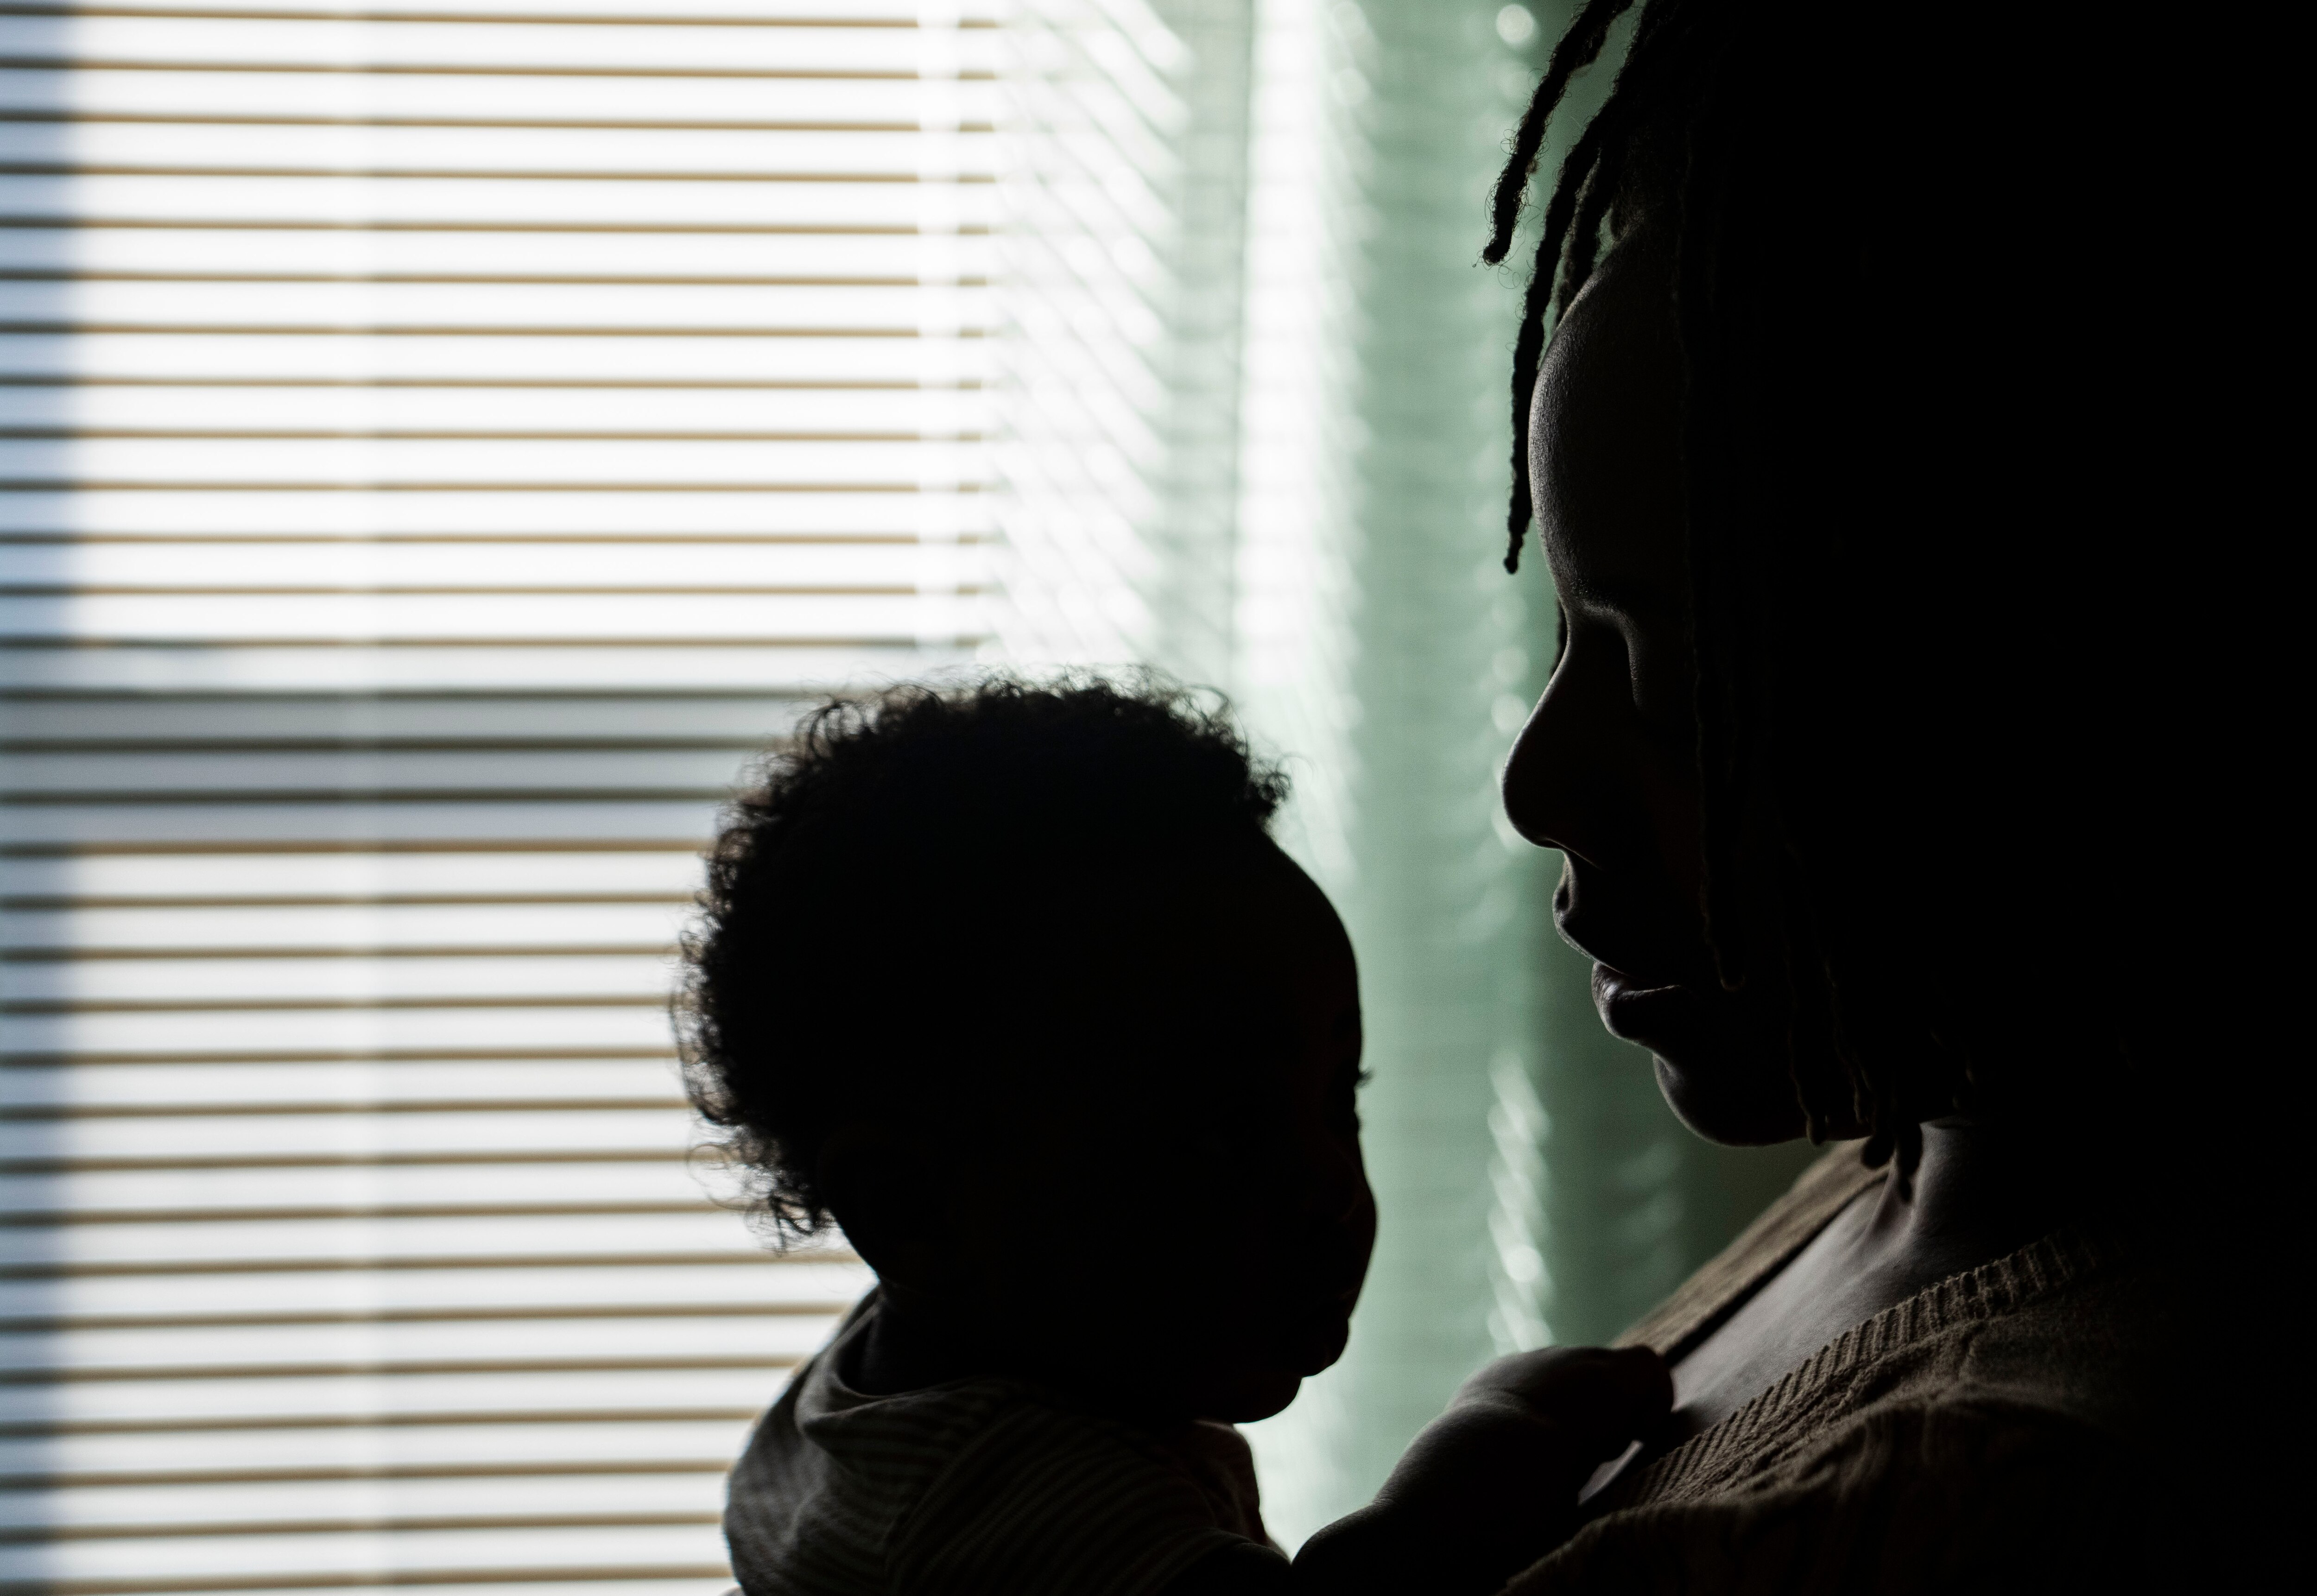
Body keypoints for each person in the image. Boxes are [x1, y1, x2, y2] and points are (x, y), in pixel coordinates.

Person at [1456, 0, 2254, 1587]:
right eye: (1566, 628)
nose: (1540, 782)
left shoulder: (2001, 1504)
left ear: (2042, 672)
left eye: (1682, 685)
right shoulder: (1911, 1161)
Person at [681, 678, 1670, 1596]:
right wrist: (1504, 1430)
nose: (1329, 1185)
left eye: (1339, 1100)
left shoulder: (881, 1384)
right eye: (1222, 1137)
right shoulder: (1019, 1505)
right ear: (915, 1211)